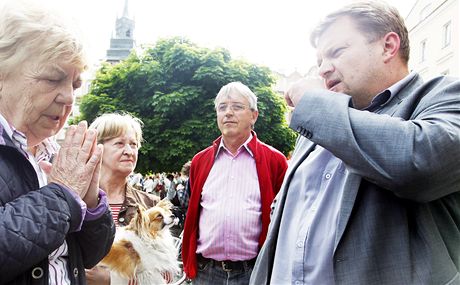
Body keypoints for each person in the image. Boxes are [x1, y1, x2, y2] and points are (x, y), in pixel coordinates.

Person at [250, 1, 460, 285]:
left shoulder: (444, 96)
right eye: (319, 61)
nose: (323, 69)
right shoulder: (319, 122)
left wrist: (316, 103)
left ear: (388, 46)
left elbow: (418, 162)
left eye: (336, 52)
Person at [0, 0, 115, 284]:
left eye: (75, 85)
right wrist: (63, 195)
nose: (68, 97)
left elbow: (89, 256)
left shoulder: (54, 153)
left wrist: (90, 204)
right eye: (53, 79)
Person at [182, 82, 288, 284]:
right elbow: (192, 212)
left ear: (254, 115)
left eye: (237, 107)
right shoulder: (200, 161)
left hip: (254, 272)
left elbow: (285, 218)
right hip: (207, 273)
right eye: (222, 108)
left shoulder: (275, 161)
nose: (228, 113)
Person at [85, 113, 160, 285]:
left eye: (133, 144)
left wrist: (112, 279)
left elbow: (161, 272)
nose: (129, 151)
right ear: (97, 148)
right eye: (119, 143)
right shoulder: (77, 201)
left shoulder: (151, 206)